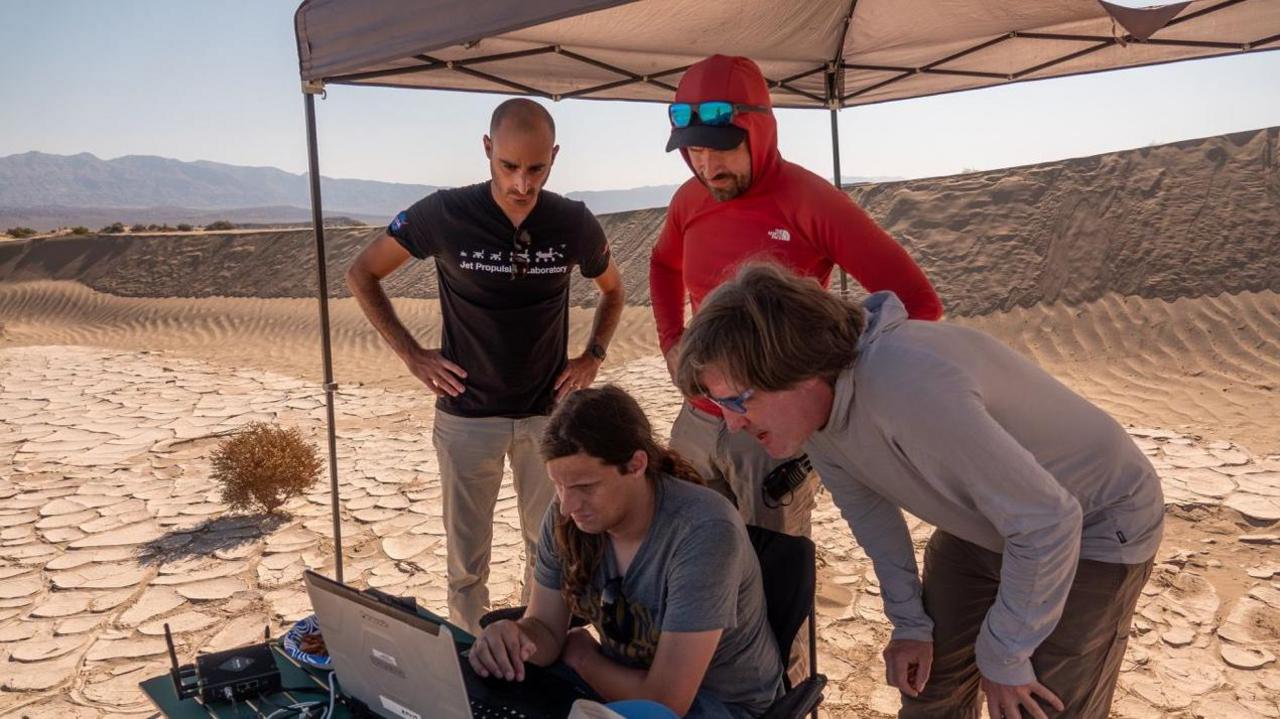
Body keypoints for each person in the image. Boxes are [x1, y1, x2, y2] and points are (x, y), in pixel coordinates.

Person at [676, 264, 1164, 719]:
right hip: (987, 518)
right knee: (929, 687)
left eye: (739, 401)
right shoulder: (815, 416)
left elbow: (1049, 522)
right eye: (721, 405)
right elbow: (872, 518)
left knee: (1036, 702)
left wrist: (1005, 653)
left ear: (795, 369)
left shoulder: (905, 385)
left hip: (1097, 521)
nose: (733, 424)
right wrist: (909, 623)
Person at [346, 99, 624, 633]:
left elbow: (613, 290)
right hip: (466, 419)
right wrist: (412, 354)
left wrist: (593, 356)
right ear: (487, 149)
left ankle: (537, 650)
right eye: (509, 166)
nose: (522, 183)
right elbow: (363, 273)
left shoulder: (573, 222)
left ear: (555, 156)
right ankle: (472, 659)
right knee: (466, 564)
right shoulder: (443, 213)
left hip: (548, 419)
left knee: (549, 552)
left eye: (537, 168)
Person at [650, 54, 942, 538]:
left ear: (759, 131)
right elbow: (663, 264)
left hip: (770, 435)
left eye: (722, 149)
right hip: (698, 419)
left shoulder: (810, 200)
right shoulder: (689, 199)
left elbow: (918, 303)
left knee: (775, 568)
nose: (708, 166)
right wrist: (670, 341)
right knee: (692, 554)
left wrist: (834, 388)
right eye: (694, 150)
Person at [467, 385, 784, 719]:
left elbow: (664, 703)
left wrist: (583, 659)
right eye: (559, 486)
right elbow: (546, 629)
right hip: (622, 685)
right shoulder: (568, 518)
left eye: (585, 487)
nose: (567, 506)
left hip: (721, 704)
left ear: (636, 465)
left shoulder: (703, 531)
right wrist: (514, 638)